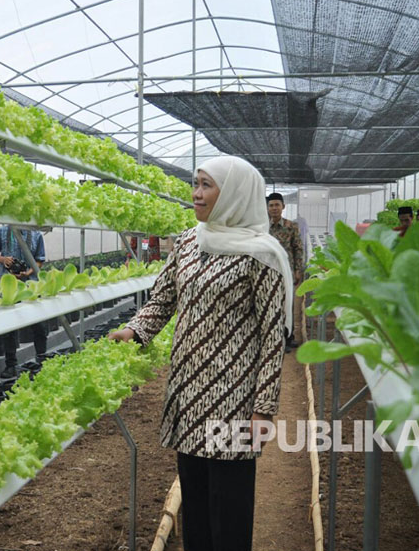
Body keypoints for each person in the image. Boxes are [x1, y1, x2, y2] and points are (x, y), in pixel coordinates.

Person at [108, 156, 291, 551]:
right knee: (195, 502)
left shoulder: (263, 255)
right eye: (195, 183)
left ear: (235, 193)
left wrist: (263, 409)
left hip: (234, 400)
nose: (196, 193)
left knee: (229, 510)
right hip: (188, 393)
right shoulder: (190, 242)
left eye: (207, 185)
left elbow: (273, 337)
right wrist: (134, 331)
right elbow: (162, 300)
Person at [0, 225, 47, 379]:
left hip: (30, 285)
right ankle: (11, 365)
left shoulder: (36, 234)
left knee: (39, 323)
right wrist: (3, 259)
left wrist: (27, 272)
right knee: (9, 326)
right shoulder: (2, 231)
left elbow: (40, 259)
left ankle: (41, 360)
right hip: (9, 286)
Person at [266, 192, 304, 352]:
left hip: (286, 272)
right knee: (270, 305)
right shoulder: (263, 227)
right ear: (267, 208)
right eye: (271, 205)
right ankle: (274, 340)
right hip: (267, 272)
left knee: (287, 304)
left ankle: (288, 338)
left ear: (283, 207)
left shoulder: (290, 226)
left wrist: (298, 270)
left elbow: (298, 248)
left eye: (277, 205)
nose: (274, 208)